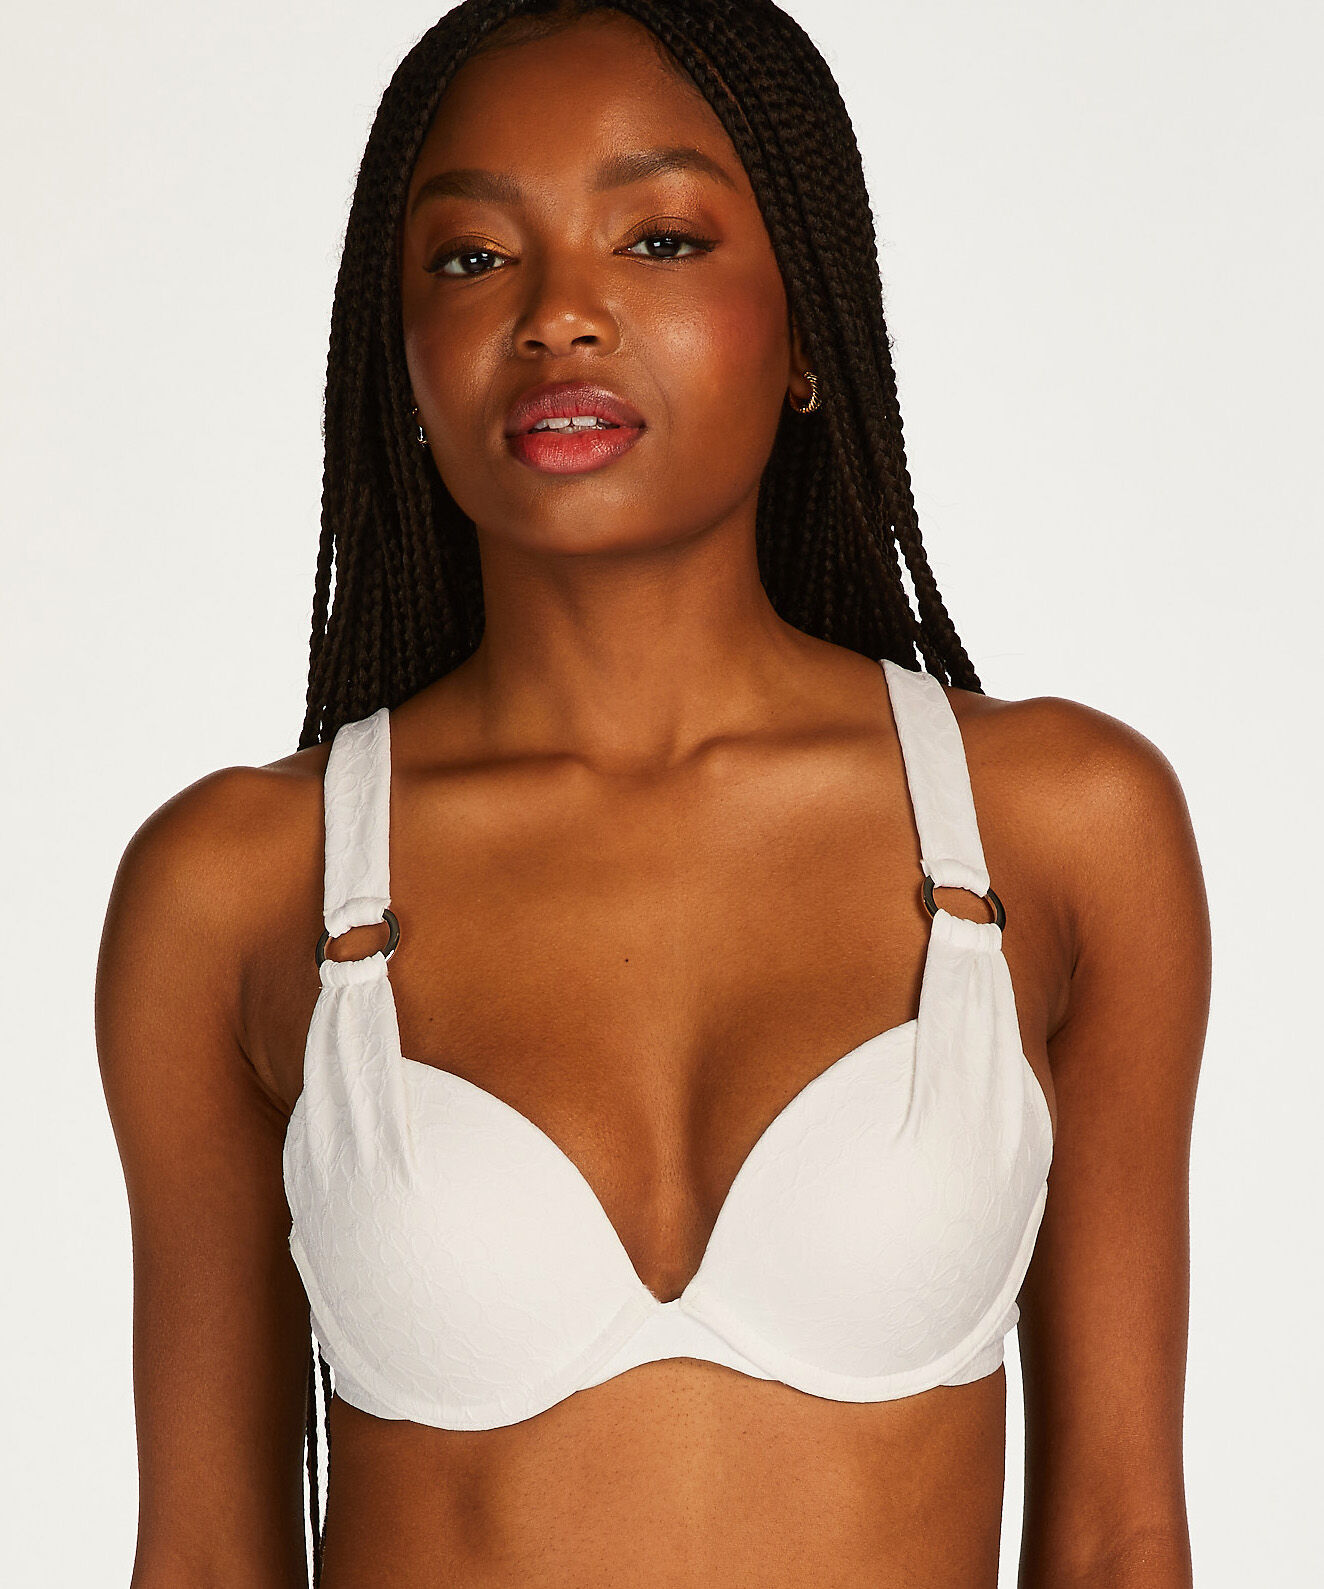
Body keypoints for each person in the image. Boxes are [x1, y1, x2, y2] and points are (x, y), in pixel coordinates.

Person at [95, 2, 1210, 1585]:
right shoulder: (236, 887)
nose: (559, 315)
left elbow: (1117, 1539)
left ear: (809, 327)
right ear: (399, 360)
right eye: (473, 257)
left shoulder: (1065, 827)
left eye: (661, 241)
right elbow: (206, 1562)